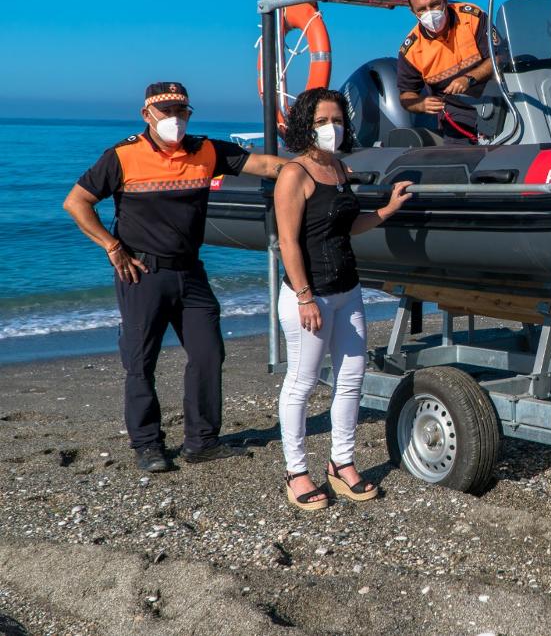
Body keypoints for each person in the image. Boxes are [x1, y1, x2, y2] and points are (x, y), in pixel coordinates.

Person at [63, 82, 286, 473]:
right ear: (146, 115)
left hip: (191, 272)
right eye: (166, 112)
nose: (174, 119)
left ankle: (201, 441)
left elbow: (266, 165)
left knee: (208, 353)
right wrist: (112, 247)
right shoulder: (122, 156)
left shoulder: (206, 151)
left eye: (181, 112)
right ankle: (148, 445)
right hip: (142, 273)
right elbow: (76, 202)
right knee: (140, 362)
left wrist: (314, 165)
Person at [273, 87, 413, 510]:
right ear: (304, 126)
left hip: (348, 291)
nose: (330, 128)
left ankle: (342, 464)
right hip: (308, 296)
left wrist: (386, 211)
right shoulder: (294, 175)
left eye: (336, 120)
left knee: (351, 379)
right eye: (320, 122)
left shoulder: (338, 168)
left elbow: (343, 228)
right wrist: (304, 297)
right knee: (301, 384)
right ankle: (296, 472)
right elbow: (289, 242)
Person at [397, 0, 498, 142]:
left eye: (434, 5)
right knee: (459, 158)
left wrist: (470, 78)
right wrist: (421, 104)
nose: (429, 13)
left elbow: (499, 57)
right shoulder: (411, 51)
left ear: (445, 0)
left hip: (498, 100)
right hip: (457, 114)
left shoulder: (471, 16)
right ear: (413, 12)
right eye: (422, 9)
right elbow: (406, 95)